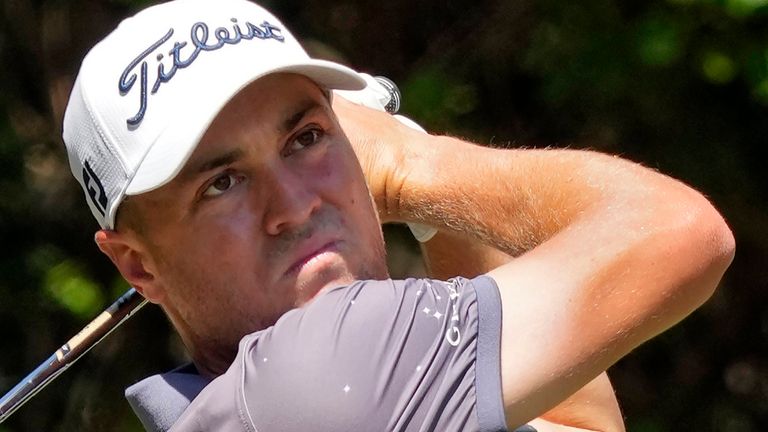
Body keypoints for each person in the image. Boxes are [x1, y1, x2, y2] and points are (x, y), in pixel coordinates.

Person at [60, 0, 734, 431]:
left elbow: (569, 423)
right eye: (223, 183)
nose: (294, 206)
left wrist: (438, 217)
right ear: (136, 264)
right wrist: (417, 166)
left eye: (306, 139)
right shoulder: (310, 379)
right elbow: (679, 231)